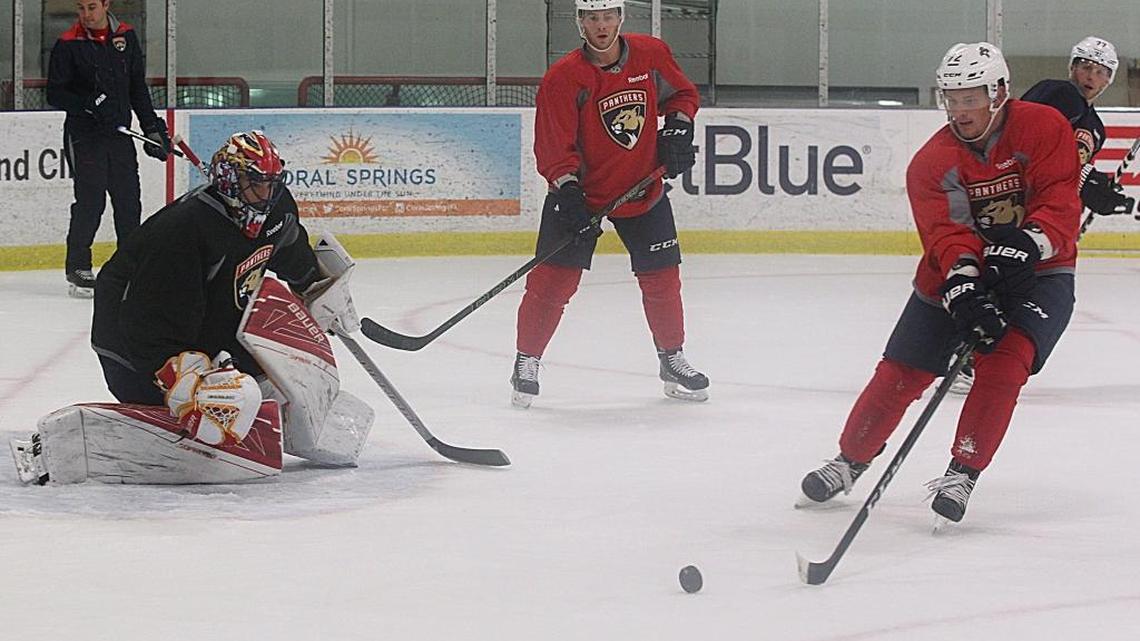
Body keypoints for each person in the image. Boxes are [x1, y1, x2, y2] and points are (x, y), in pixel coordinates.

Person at [798, 43, 1082, 525]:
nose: (959, 110)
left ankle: (963, 470)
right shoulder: (931, 163)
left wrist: (1028, 244)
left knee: (1004, 364)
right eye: (951, 98)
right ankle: (850, 459)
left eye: (970, 98)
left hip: (1041, 271)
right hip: (956, 272)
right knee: (901, 371)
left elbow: (1058, 198)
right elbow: (947, 233)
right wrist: (964, 285)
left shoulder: (1042, 127)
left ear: (999, 93)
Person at [9, 131, 369, 485]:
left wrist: (315, 285)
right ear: (229, 181)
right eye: (256, 184)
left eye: (272, 184)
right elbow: (146, 323)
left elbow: (287, 246)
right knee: (232, 403)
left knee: (273, 387)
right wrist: (184, 379)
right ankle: (113, 440)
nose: (266, 194)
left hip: (205, 327)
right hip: (133, 347)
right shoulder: (182, 232)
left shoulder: (275, 208)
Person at [509, 0, 708, 408]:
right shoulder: (564, 77)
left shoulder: (650, 54)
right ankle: (526, 359)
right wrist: (567, 191)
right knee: (552, 283)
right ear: (580, 22)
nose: (601, 26)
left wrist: (678, 129)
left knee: (662, 278)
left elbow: (683, 95)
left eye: (608, 16)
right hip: (581, 195)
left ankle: (672, 358)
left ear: (621, 18)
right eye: (592, 18)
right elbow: (552, 147)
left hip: (642, 189)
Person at [949, 36, 1132, 396]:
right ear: (1071, 67)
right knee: (997, 275)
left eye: (1100, 71)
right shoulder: (1059, 94)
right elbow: (1018, 134)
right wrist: (1087, 179)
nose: (1090, 76)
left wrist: (1095, 191)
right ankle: (962, 353)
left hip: (1034, 210)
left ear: (1109, 79)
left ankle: (975, 356)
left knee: (1018, 283)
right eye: (1084, 66)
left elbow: (1064, 170)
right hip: (1007, 197)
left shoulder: (1096, 128)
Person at [46, 0, 172, 298]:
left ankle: (127, 268)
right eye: (80, 8)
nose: (86, 15)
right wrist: (86, 105)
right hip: (84, 136)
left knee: (129, 202)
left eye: (91, 7)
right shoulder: (67, 44)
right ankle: (78, 266)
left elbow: (137, 89)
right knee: (90, 202)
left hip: (119, 135)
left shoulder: (125, 37)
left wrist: (152, 128)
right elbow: (55, 93)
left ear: (106, 5)